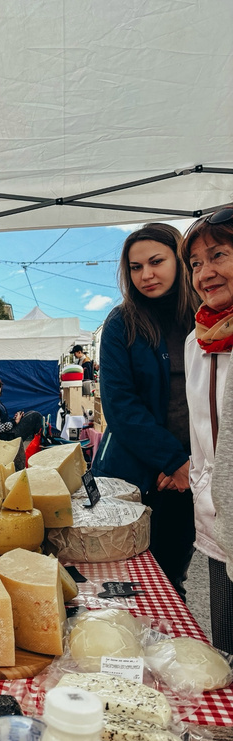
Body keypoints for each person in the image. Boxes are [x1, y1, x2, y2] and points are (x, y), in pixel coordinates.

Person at [91, 223, 199, 598]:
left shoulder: (205, 316)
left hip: (188, 476)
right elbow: (121, 407)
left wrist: (190, 465)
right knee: (117, 583)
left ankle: (168, 654)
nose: (146, 275)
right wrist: (174, 461)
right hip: (129, 476)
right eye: (136, 267)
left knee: (169, 579)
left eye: (156, 262)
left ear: (180, 261)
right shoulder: (122, 323)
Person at [181, 207, 233, 652]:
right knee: (228, 646)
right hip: (216, 521)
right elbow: (202, 436)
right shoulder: (196, 340)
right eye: (196, 263)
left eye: (218, 255)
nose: (205, 273)